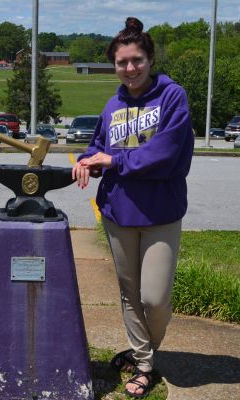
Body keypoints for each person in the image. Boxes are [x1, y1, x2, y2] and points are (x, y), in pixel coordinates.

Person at [72, 17, 194, 398]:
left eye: (136, 60)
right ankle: (143, 363)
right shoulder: (113, 103)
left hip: (160, 212)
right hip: (118, 211)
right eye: (122, 62)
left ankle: (145, 350)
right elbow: (97, 146)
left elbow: (167, 153)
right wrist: (85, 159)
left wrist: (114, 162)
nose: (129, 68)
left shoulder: (172, 96)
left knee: (154, 298)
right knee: (129, 292)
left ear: (150, 58)